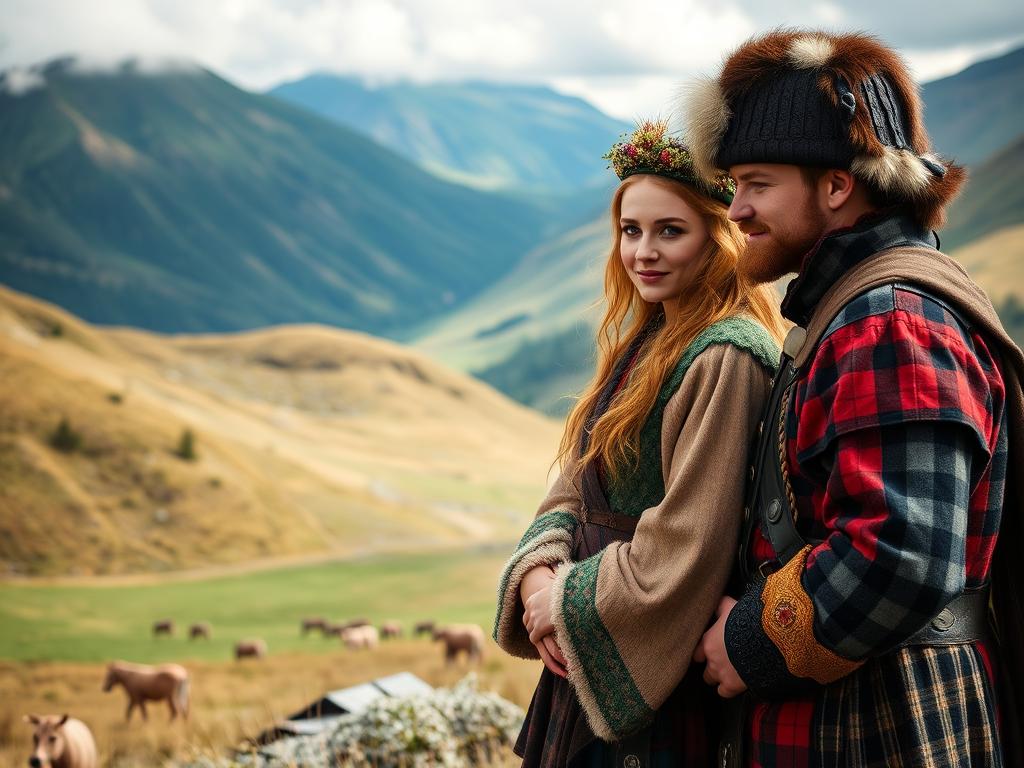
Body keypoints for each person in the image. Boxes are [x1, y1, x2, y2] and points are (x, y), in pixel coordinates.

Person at [680, 29, 1024, 767]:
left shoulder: (889, 320)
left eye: (757, 182)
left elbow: (902, 552)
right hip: (860, 706)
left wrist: (750, 643)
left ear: (837, 185)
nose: (734, 210)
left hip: (882, 724)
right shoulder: (856, 306)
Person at [492, 119, 787, 767]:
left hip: (645, 659)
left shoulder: (727, 356)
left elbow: (688, 540)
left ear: (719, 239)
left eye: (670, 231)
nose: (643, 252)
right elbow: (574, 481)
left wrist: (562, 603)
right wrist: (541, 579)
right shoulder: (649, 338)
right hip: (588, 635)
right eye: (631, 231)